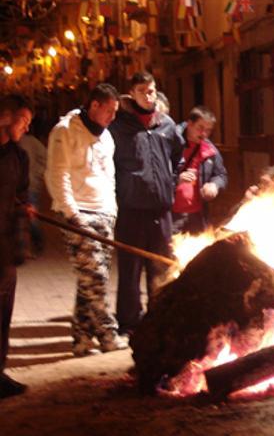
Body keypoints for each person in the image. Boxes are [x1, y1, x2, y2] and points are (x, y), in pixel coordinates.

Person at [46, 84, 129, 356]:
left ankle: (81, 339)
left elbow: (109, 176)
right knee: (97, 277)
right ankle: (107, 334)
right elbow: (58, 175)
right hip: (78, 214)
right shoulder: (65, 131)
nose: (112, 117)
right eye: (109, 110)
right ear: (94, 105)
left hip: (103, 213)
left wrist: (111, 209)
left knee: (88, 279)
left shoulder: (106, 137)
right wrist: (72, 214)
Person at [109, 72, 184, 336]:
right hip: (131, 209)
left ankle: (159, 316)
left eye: (151, 90)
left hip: (161, 208)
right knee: (130, 267)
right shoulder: (118, 126)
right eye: (142, 91)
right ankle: (129, 322)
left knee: (161, 265)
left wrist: (170, 182)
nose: (148, 95)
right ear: (132, 93)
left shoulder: (166, 125)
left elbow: (178, 157)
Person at [0, 95, 33, 398]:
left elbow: (22, 192)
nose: (26, 127)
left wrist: (26, 207)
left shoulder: (18, 157)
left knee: (3, 314)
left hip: (5, 248)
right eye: (23, 120)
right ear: (6, 117)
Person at [172, 107, 228, 235]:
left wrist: (215, 185)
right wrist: (177, 179)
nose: (204, 134)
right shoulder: (171, 143)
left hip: (199, 215)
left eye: (208, 130)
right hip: (172, 215)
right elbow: (158, 175)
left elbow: (221, 175)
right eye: (200, 128)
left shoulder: (210, 149)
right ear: (189, 124)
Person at [17, 130, 46, 258]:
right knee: (18, 220)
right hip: (14, 188)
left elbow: (45, 157)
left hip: (30, 186)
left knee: (31, 218)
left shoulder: (30, 142)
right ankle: (22, 249)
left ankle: (38, 241)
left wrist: (37, 174)